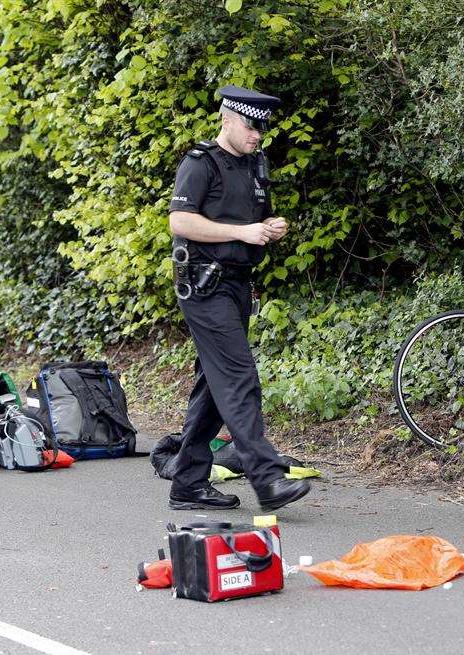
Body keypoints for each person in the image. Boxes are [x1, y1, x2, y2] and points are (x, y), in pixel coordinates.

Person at [166, 85, 312, 511]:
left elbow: (249, 219)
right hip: (203, 286)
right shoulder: (200, 164)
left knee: (215, 386)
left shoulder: (255, 164)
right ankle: (267, 479)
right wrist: (241, 232)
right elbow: (181, 221)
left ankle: (188, 483)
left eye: (263, 129)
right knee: (238, 376)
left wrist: (268, 226)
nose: (258, 135)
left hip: (236, 286)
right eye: (251, 126)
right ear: (227, 118)